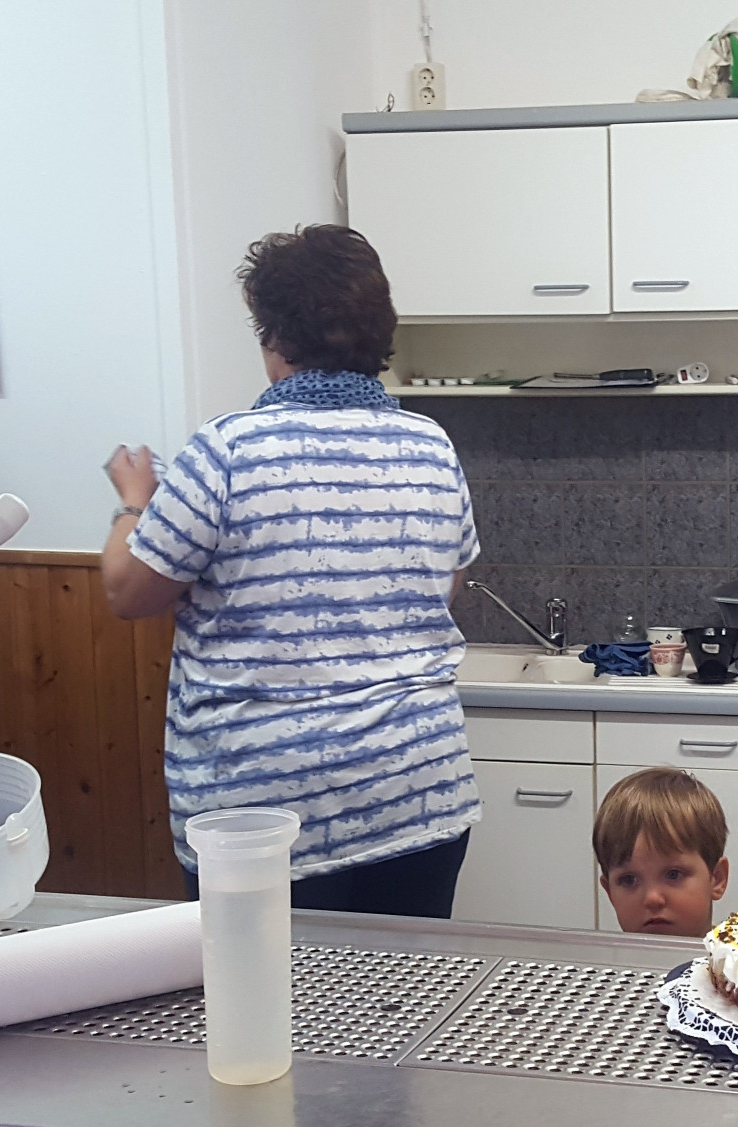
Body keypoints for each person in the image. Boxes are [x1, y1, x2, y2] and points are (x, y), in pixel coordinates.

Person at [101, 224, 480, 917]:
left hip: (264, 819)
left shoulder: (227, 450)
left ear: (274, 335)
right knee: (404, 988)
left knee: (265, 989)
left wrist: (134, 501)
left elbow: (128, 591)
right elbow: (444, 587)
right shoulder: (430, 445)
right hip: (418, 793)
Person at [594, 767, 731, 937]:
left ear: (717, 878)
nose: (652, 899)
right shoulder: (599, 955)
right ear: (609, 892)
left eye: (673, 874)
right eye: (629, 880)